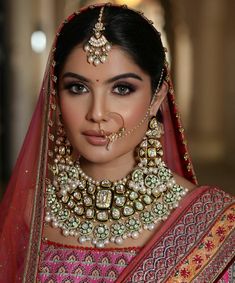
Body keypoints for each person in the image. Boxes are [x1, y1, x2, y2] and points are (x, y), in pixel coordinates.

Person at [0, 3, 234, 282]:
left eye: (122, 89)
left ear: (156, 98)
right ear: (56, 97)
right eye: (78, 88)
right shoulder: (28, 213)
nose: (97, 113)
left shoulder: (212, 222)